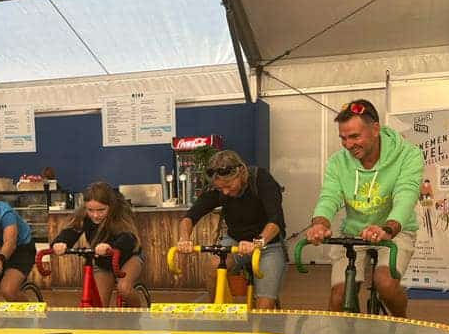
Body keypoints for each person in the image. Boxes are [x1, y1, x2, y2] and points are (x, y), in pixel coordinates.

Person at [306, 99, 423, 316]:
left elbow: (406, 196)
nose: (348, 145)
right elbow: (329, 196)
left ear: (375, 129)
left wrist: (387, 229)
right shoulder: (337, 162)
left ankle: (402, 322)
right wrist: (320, 223)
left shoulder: (408, 154)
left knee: (385, 284)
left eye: (354, 136)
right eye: (343, 138)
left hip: (394, 230)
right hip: (354, 231)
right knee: (339, 298)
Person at [177, 150, 286, 309]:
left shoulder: (261, 179)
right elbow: (189, 217)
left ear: (241, 172)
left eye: (228, 186)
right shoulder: (218, 188)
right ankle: (218, 313)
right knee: (213, 267)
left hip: (268, 244)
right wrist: (184, 239)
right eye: (220, 188)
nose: (225, 192)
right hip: (235, 241)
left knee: (264, 307)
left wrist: (257, 243)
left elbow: (275, 221)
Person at [52, 181, 144, 307]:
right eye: (90, 210)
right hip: (103, 261)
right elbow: (71, 230)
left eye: (101, 210)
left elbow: (128, 238)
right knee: (98, 305)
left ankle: (139, 314)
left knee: (124, 288)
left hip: (128, 258)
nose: (95, 215)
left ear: (111, 206)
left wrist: (112, 247)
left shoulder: (121, 213)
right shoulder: (83, 214)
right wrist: (60, 242)